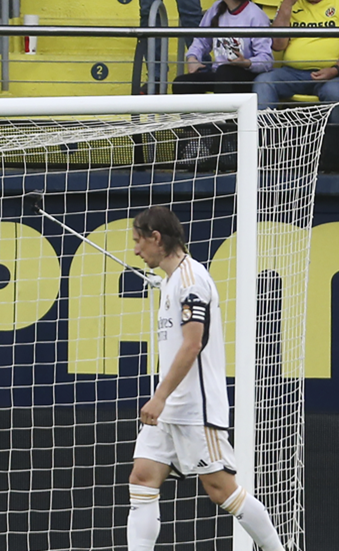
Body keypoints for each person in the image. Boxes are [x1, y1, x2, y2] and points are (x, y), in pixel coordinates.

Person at [127, 206, 285, 551]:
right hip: (170, 408)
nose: (136, 250)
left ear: (157, 238)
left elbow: (193, 343)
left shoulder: (191, 280)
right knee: (142, 479)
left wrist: (159, 397)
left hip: (194, 408)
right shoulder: (173, 280)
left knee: (221, 490)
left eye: (139, 241)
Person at [253, 0, 339, 123]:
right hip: (292, 73)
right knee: (264, 82)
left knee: (335, 92)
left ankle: (334, 135)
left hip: (332, 75)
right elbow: (278, 45)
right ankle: (265, 133)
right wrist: (286, 5)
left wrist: (335, 70)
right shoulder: (290, 5)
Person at [172, 0, 272, 95]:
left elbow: (266, 59)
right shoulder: (215, 8)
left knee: (225, 72)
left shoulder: (256, 15)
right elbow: (201, 40)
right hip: (220, 74)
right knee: (181, 84)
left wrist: (246, 62)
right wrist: (192, 58)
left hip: (246, 75)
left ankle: (222, 108)